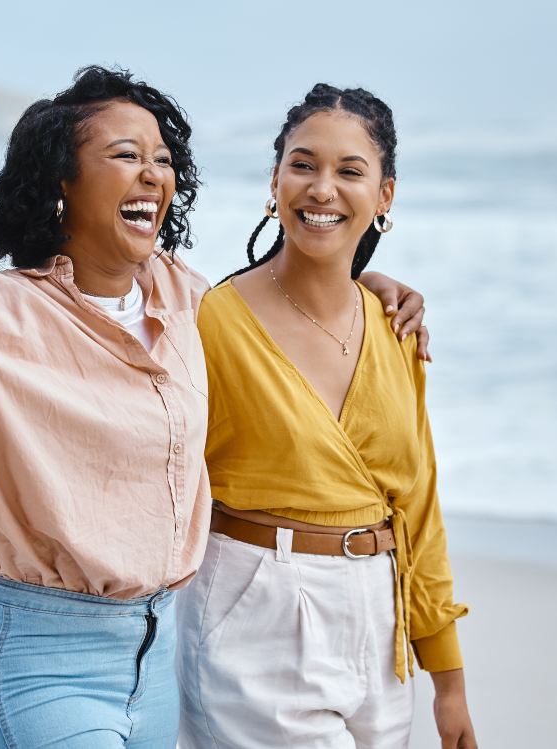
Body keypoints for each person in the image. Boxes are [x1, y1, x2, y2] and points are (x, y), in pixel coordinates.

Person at [0, 67, 429, 748]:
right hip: (38, 658)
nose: (153, 172)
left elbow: (280, 297)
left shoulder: (184, 297)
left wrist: (367, 282)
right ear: (63, 181)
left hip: (155, 665)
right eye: (126, 155)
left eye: (161, 157)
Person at [175, 84, 476, 749]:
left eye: (349, 170)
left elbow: (419, 505)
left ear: (385, 196)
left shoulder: (395, 326)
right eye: (303, 164)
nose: (321, 188)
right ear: (275, 179)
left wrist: (448, 680)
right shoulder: (211, 321)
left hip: (380, 621)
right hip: (257, 610)